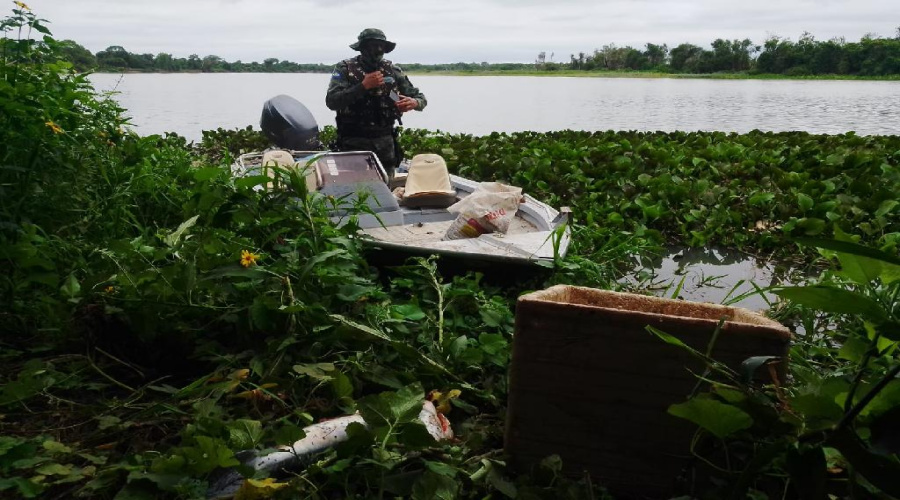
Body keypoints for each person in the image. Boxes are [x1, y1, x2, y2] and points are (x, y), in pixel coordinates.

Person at [325, 28, 427, 179]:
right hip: (353, 143)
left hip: (385, 144)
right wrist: (363, 86)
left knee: (385, 189)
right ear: (362, 47)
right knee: (353, 192)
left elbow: (420, 98)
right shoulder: (345, 69)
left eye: (382, 46)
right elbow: (332, 101)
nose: (378, 50)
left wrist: (413, 102)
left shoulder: (393, 70)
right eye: (373, 45)